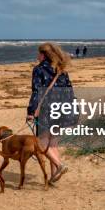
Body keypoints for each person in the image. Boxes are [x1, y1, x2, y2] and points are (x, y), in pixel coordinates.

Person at [27, 42, 74, 184]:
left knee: (41, 145)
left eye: (38, 53)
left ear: (43, 55)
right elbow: (70, 91)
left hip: (46, 110)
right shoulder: (61, 70)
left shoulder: (38, 69)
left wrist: (31, 111)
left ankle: (60, 166)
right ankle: (54, 176)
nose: (37, 56)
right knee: (53, 145)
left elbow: (36, 92)